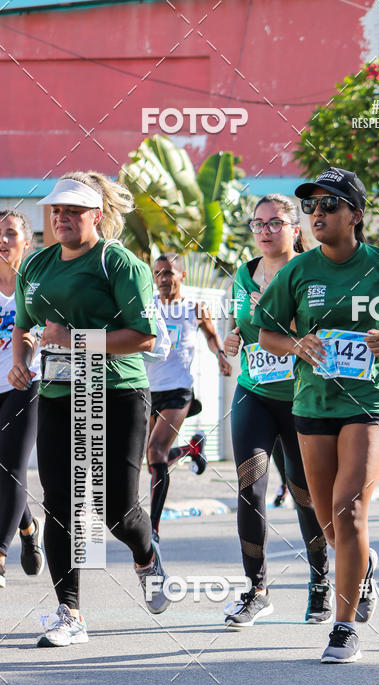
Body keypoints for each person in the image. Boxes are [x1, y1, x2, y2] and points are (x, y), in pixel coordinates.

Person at [255, 168, 379, 662]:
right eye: (312, 207)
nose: (318, 214)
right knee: (328, 517)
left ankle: (344, 626)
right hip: (313, 403)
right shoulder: (298, 271)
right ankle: (363, 562)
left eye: (330, 205)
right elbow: (262, 331)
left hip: (371, 402)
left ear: (355, 214)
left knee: (349, 506)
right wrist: (296, 343)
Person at [10, 172, 169, 647]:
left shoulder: (118, 264)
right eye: (56, 211)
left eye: (74, 211)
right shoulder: (35, 267)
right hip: (59, 396)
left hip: (118, 393)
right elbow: (25, 326)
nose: (62, 218)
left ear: (97, 216)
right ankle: (69, 612)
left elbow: (145, 336)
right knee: (60, 504)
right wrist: (21, 363)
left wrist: (78, 340)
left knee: (117, 509)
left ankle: (146, 553)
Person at [224, 193, 330, 626]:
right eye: (258, 224)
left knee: (306, 496)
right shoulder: (244, 274)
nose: (266, 231)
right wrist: (233, 336)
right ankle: (256, 589)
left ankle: (321, 584)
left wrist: (279, 319)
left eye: (275, 223)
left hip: (302, 398)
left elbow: (315, 330)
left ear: (294, 229)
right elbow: (241, 325)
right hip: (254, 392)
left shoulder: (311, 272)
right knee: (249, 488)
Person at [146, 253, 232, 543]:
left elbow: (210, 335)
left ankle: (152, 529)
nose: (163, 279)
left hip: (179, 390)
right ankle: (192, 448)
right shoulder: (149, 307)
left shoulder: (193, 307)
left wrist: (220, 355)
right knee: (151, 459)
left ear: (182, 275)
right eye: (158, 273)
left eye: (169, 273)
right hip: (149, 389)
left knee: (156, 451)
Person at [0, 210, 44, 588]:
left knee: (13, 466)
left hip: (27, 383)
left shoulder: (38, 286)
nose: (2, 241)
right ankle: (29, 527)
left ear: (26, 244)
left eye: (11, 234)